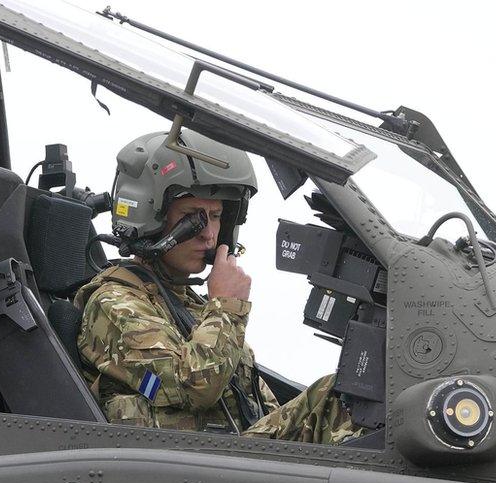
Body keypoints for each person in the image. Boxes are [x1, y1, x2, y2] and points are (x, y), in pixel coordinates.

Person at [74, 129, 366, 444]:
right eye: (192, 217)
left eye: (215, 217)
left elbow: (257, 408)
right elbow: (193, 388)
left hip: (227, 460)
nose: (209, 235)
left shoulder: (188, 305)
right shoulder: (114, 305)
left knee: (347, 394)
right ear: (150, 214)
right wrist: (227, 306)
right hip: (191, 472)